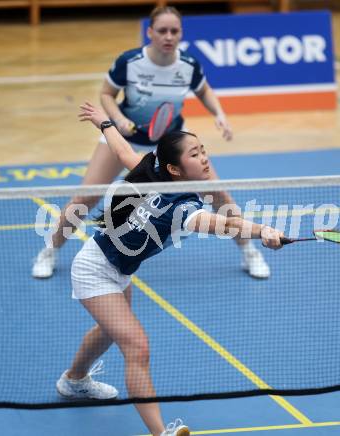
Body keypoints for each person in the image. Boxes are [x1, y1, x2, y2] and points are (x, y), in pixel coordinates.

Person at [55, 102, 284, 436]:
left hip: (116, 267)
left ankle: (73, 380)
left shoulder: (156, 175)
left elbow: (124, 153)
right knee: (137, 346)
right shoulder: (182, 208)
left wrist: (104, 123)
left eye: (203, 150)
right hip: (94, 268)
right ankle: (160, 433)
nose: (205, 158)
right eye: (194, 154)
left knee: (108, 331)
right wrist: (263, 230)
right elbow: (222, 224)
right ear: (176, 169)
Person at [32, 5, 270, 280]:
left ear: (181, 33)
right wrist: (118, 119)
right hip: (124, 137)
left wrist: (218, 113)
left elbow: (204, 90)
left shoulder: (188, 65)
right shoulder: (130, 62)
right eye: (162, 31)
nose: (168, 36)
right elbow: (107, 94)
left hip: (171, 143)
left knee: (218, 195)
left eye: (174, 31)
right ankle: (50, 249)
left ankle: (248, 249)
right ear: (150, 33)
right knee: (86, 196)